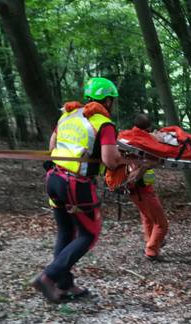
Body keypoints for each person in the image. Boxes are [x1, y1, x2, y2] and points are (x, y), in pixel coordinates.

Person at [32, 77, 131, 302]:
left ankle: (64, 285)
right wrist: (122, 160)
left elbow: (52, 145)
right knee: (89, 234)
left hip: (54, 179)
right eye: (112, 100)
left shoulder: (68, 114)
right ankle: (48, 277)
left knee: (66, 232)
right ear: (107, 100)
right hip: (76, 184)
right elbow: (110, 160)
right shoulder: (103, 123)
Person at [127, 114, 169, 261]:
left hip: (136, 190)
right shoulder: (146, 142)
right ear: (149, 128)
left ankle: (151, 242)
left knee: (147, 218)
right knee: (162, 224)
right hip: (142, 190)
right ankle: (152, 251)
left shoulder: (129, 137)